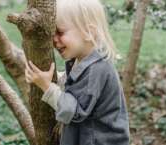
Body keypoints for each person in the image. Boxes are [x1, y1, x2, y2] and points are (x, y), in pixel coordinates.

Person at [25, 0, 130, 145]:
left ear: (89, 32)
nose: (54, 40)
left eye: (60, 32)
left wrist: (47, 87)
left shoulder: (96, 69)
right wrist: (60, 78)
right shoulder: (82, 59)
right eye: (52, 32)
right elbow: (77, 85)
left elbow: (75, 112)